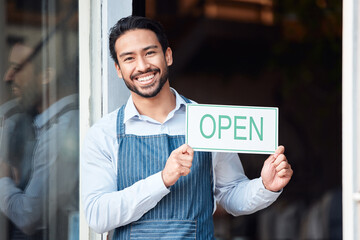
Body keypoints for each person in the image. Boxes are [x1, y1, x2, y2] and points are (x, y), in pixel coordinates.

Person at [81, 15, 293, 239]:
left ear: (168, 56)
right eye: (129, 58)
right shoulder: (104, 133)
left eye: (150, 53)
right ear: (118, 69)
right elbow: (97, 216)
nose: (142, 66)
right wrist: (162, 179)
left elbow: (231, 194)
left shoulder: (209, 121)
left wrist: (266, 187)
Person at [0, 41, 79, 240]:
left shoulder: (62, 130)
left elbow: (29, 217)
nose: (8, 77)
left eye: (17, 69)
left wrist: (2, 177)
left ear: (46, 75)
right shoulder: (24, 119)